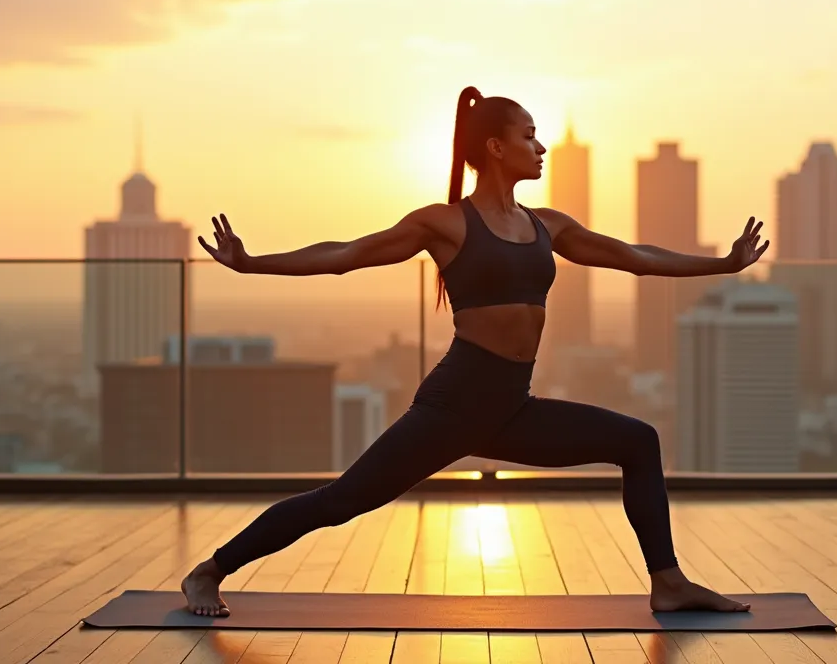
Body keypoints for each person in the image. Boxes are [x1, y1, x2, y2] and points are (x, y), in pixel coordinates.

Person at [183, 86, 769, 618]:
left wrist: (722, 264)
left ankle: (668, 583)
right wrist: (252, 263)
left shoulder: (547, 225)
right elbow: (347, 254)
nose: (540, 147)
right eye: (529, 135)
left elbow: (633, 256)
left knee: (638, 441)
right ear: (495, 146)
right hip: (453, 407)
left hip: (511, 408)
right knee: (340, 502)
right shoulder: (445, 223)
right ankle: (210, 571)